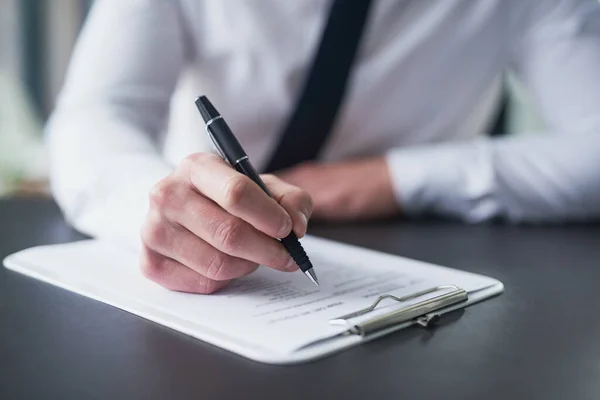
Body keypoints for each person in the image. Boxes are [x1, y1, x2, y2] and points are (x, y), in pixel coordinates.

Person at [47, 0, 600, 294]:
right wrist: (154, 205)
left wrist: (390, 178)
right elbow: (94, 117)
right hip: (198, 268)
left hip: (428, 252)